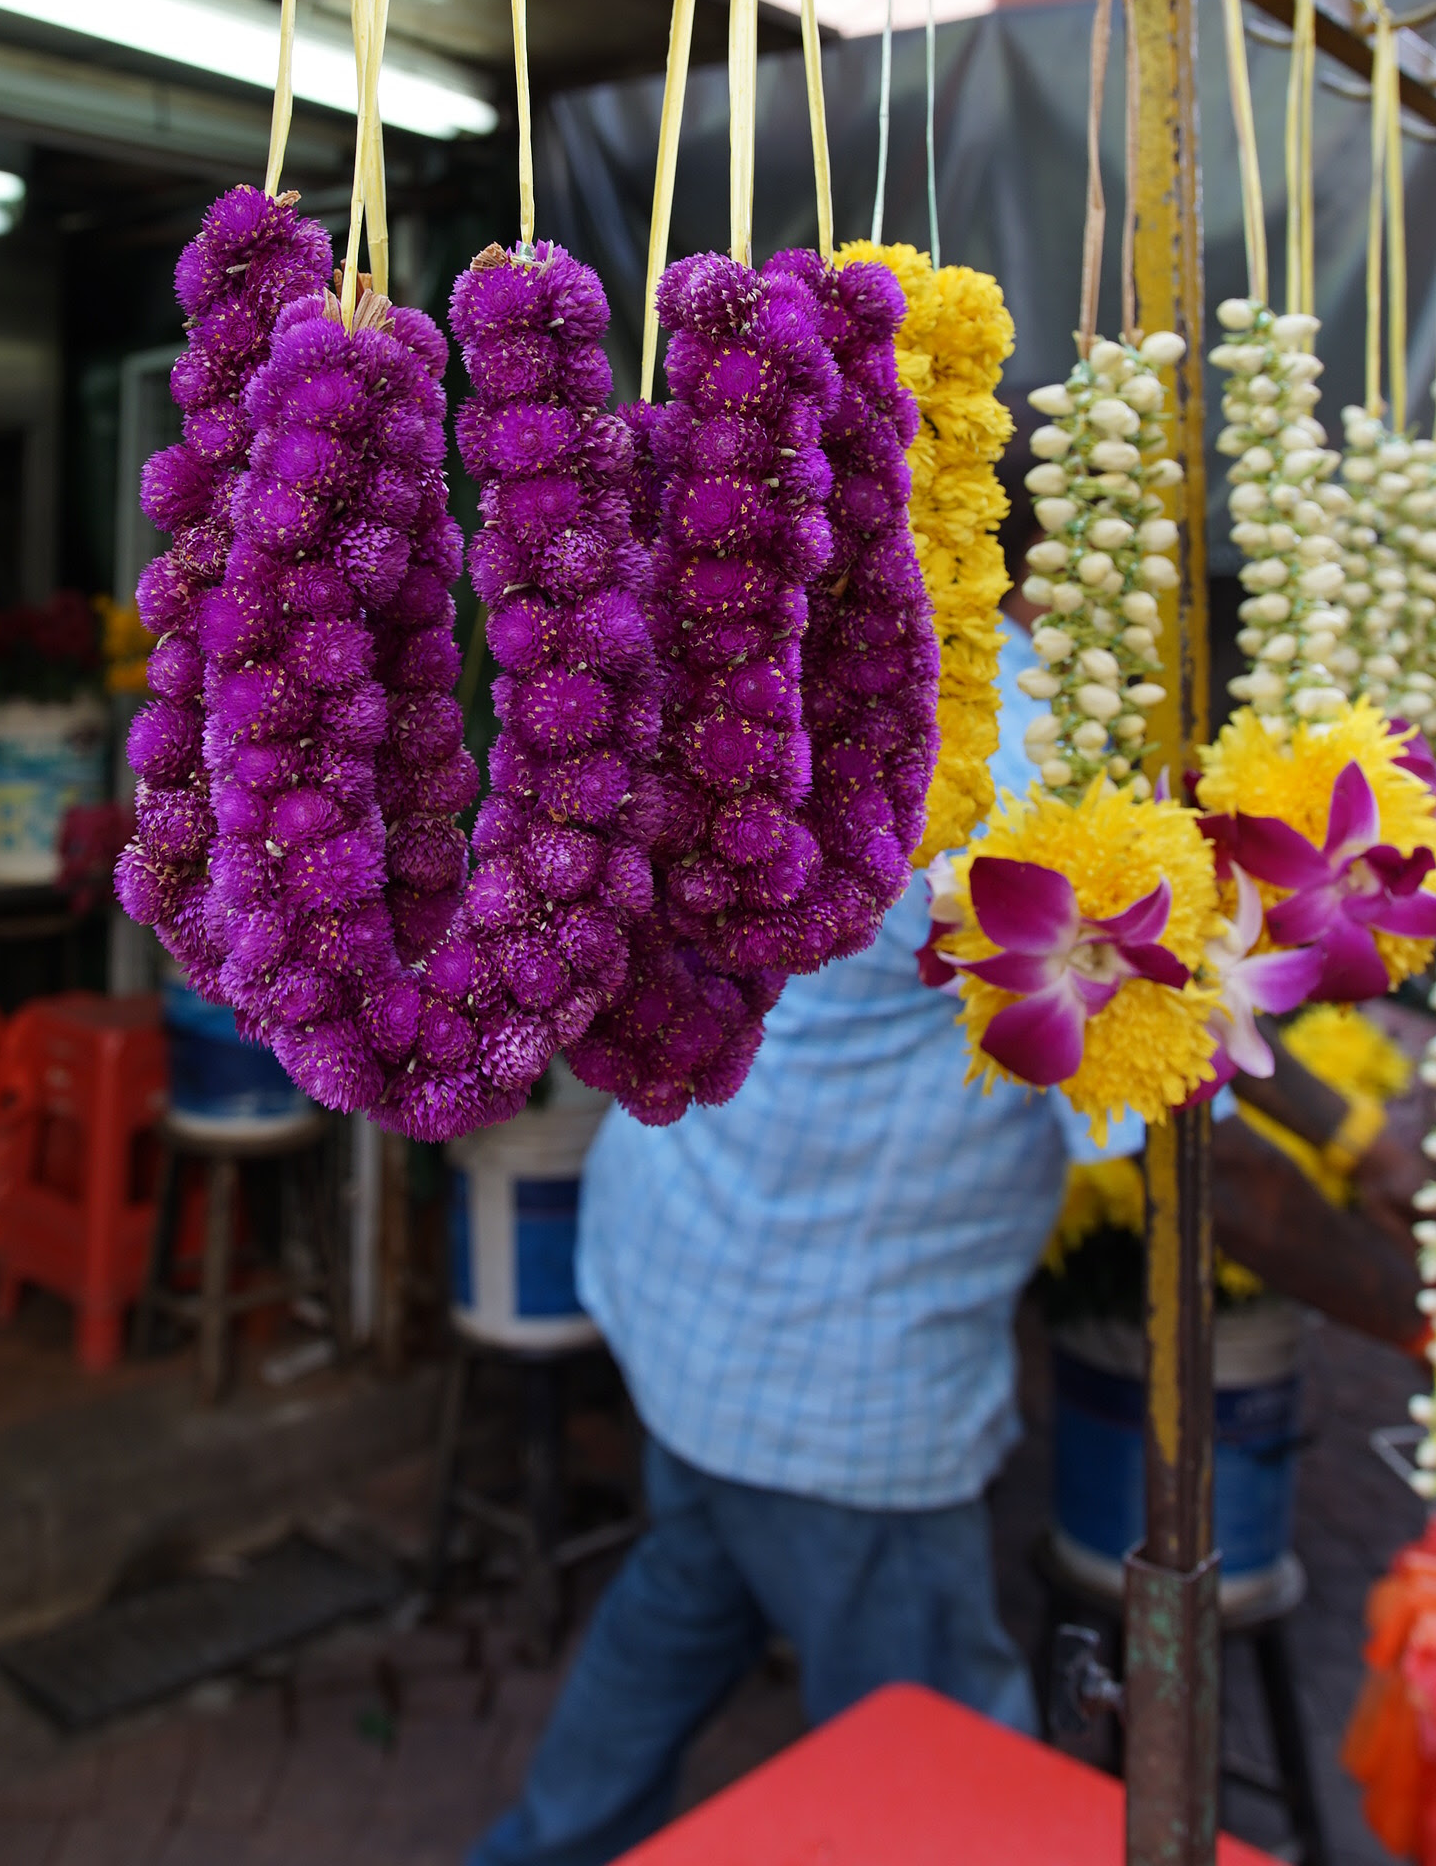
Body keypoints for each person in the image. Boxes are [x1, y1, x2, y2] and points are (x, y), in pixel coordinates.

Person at [468, 618, 1422, 1866]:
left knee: (686, 1592)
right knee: (942, 1777)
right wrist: (1417, 1314)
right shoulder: (1011, 750)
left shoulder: (813, 637)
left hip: (694, 1290)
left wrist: (1353, 1134)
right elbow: (1204, 1155)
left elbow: (1194, 998)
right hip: (827, 1374)